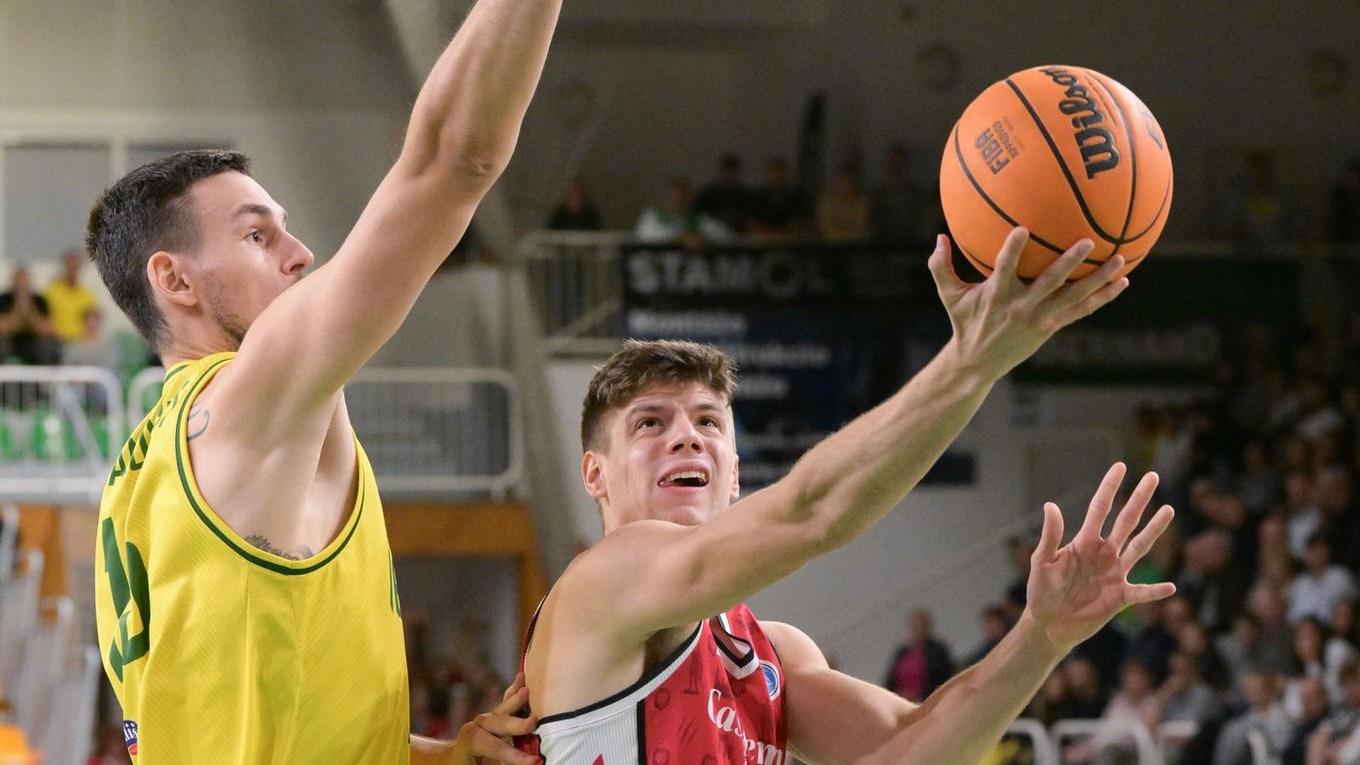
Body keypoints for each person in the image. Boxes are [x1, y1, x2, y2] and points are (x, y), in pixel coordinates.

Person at [87, 0, 561, 761]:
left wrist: (439, 753)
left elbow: (260, 722)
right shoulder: (248, 402)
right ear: (173, 279)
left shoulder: (140, 469)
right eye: (255, 233)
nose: (300, 252)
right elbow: (453, 160)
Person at [516, 228, 1177, 763]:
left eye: (709, 422)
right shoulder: (600, 584)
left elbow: (912, 751)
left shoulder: (771, 653)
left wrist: (1042, 635)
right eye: (651, 423)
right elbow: (813, 511)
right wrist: (970, 363)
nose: (688, 438)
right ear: (595, 474)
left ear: (736, 472)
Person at [882, 608, 955, 702]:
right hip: (902, 701)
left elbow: (943, 677)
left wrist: (920, 695)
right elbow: (890, 679)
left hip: (930, 700)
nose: (918, 629)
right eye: (915, 625)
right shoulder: (901, 652)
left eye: (921, 625)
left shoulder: (938, 650)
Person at [0, 265, 62, 366]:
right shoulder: (4, 299)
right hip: (11, 343)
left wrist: (30, 312)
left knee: (50, 345)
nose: (21, 285)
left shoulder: (39, 300)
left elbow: (46, 330)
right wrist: (18, 309)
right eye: (18, 281)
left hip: (33, 342)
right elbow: (3, 330)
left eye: (24, 281)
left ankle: (44, 379)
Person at [45, 248, 102, 343]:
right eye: (70, 267)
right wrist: (61, 337)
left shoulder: (87, 295)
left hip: (81, 341)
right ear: (64, 267)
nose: (72, 271)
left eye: (75, 267)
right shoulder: (52, 291)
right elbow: (45, 319)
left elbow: (94, 319)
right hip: (57, 341)